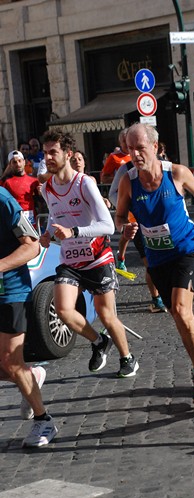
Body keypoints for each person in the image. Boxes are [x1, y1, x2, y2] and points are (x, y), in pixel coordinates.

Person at [116, 122, 194, 402]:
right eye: (130, 149)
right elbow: (120, 215)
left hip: (186, 250)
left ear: (154, 147)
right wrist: (124, 228)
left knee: (180, 309)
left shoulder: (175, 173)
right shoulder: (129, 181)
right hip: (156, 257)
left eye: (140, 148)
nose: (135, 154)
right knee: (178, 316)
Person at [40, 128, 138, 378]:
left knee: (106, 314)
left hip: (97, 257)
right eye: (45, 153)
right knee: (63, 309)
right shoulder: (47, 188)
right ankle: (98, 342)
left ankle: (127, 358)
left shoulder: (84, 183)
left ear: (67, 154)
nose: (48, 158)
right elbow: (55, 216)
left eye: (53, 152)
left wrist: (72, 232)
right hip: (70, 260)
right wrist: (48, 234)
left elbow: (107, 225)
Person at [0, 185, 58, 447]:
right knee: (9, 367)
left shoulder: (3, 200)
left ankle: (44, 421)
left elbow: (32, 246)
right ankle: (31, 376)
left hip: (9, 291)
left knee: (10, 362)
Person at [109, 132, 167, 314]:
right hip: (137, 224)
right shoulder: (125, 169)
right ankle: (156, 298)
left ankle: (169, 290)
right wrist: (129, 207)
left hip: (162, 221)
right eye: (129, 145)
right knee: (150, 262)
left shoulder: (164, 165)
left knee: (167, 261)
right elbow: (112, 194)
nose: (133, 150)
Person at [3, 150, 41, 228]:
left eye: (20, 161)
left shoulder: (34, 181)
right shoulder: (5, 182)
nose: (18, 164)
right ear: (10, 165)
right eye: (14, 162)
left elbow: (41, 202)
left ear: (24, 162)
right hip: (13, 220)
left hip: (31, 221)